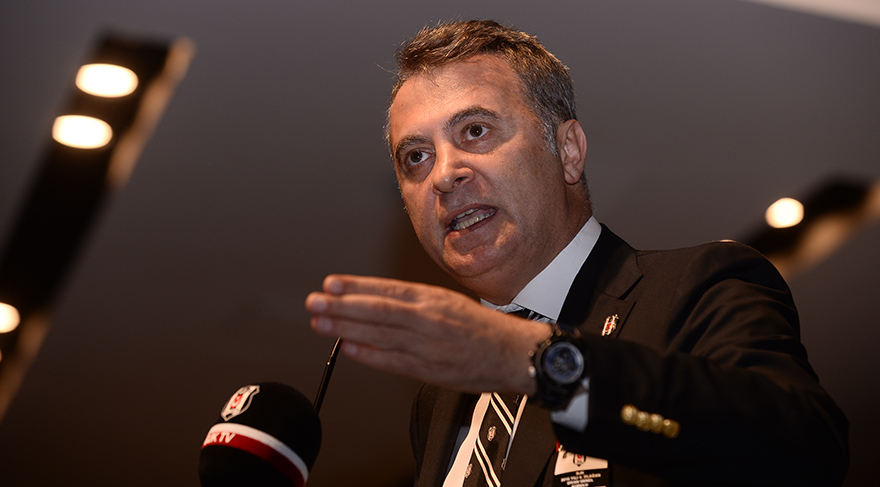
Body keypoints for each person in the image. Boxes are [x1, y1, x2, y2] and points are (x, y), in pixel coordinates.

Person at [305, 20, 848, 486]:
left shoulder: (696, 287)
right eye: (416, 158)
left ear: (568, 151)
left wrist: (539, 362)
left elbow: (804, 448)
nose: (444, 174)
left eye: (475, 130)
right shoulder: (439, 402)